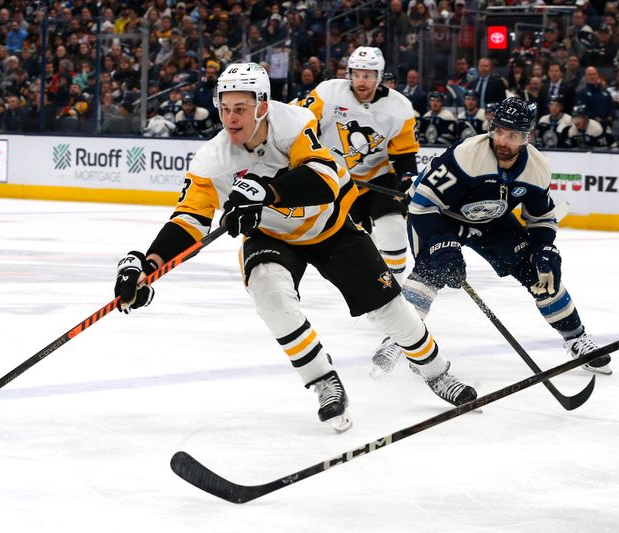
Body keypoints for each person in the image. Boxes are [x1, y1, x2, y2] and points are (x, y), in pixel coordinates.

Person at [113, 62, 477, 434]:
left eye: (240, 108)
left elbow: (323, 179)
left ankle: (436, 373)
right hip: (271, 236)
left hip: (329, 227)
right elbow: (188, 220)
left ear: (262, 106)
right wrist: (147, 265)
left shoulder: (294, 123)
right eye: (224, 108)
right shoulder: (212, 159)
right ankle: (323, 381)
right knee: (269, 295)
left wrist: (266, 191)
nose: (230, 118)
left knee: (390, 311)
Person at [371, 97, 612, 376]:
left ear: (527, 137)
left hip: (491, 222)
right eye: (499, 131)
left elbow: (542, 218)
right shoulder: (467, 155)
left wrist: (544, 247)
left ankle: (575, 337)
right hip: (440, 217)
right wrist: (440, 244)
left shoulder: (537, 168)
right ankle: (397, 340)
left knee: (540, 272)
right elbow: (422, 205)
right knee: (429, 272)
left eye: (512, 135)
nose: (503, 140)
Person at [297, 46, 419, 283]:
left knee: (393, 227)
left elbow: (404, 153)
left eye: (368, 75)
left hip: (378, 176)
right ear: (349, 74)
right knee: (357, 238)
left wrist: (407, 180)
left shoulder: (399, 107)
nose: (361, 81)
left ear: (379, 77)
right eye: (357, 74)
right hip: (337, 179)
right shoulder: (328, 93)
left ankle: (396, 286)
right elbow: (300, 122)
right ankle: (377, 281)